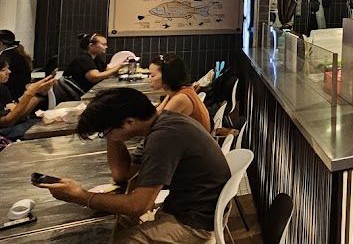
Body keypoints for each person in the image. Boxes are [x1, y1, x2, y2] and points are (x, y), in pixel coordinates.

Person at [38, 88, 231, 243]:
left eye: (104, 132)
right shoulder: (159, 124)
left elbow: (138, 205)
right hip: (187, 208)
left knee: (120, 239)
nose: (105, 137)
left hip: (195, 224)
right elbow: (122, 174)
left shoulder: (164, 136)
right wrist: (112, 132)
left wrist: (80, 196)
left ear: (129, 122)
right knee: (120, 221)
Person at [148, 54, 211, 132]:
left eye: (152, 75)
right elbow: (157, 113)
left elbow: (158, 124)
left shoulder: (180, 98)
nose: (149, 78)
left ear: (167, 76)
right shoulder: (177, 91)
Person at [0, 56, 58, 140]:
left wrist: (39, 94)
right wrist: (29, 93)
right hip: (3, 133)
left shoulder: (2, 88)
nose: (9, 71)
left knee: (47, 123)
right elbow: (6, 122)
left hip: (12, 127)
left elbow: (19, 115)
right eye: (3, 70)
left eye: (8, 68)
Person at [57, 32, 122, 102]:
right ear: (91, 46)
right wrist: (120, 66)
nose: (106, 47)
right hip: (77, 97)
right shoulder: (83, 58)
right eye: (103, 44)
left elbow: (108, 70)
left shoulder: (96, 58)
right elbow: (95, 77)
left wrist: (124, 65)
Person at [0, 30, 32, 98]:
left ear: (1, 43)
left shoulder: (4, 58)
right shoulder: (20, 54)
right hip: (20, 95)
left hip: (8, 97)